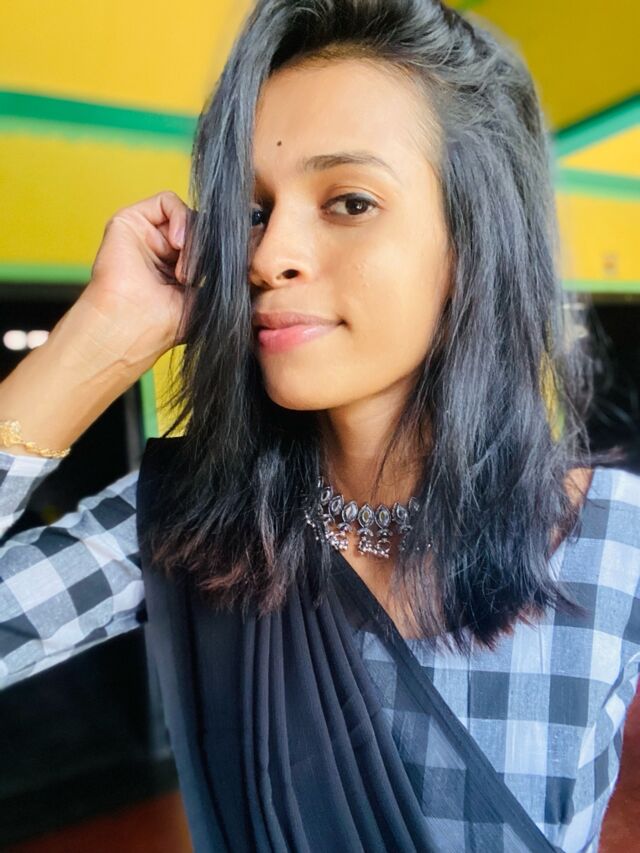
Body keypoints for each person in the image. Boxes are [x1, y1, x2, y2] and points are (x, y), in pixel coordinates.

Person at [1, 0, 639, 850]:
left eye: (349, 201)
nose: (266, 258)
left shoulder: (619, 538)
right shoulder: (195, 523)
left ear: (474, 240)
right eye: (252, 212)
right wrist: (98, 336)